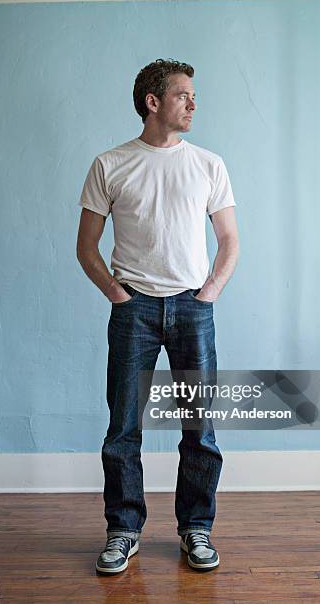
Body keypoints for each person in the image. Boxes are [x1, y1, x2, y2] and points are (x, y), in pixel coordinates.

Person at [76, 58, 240, 574]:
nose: (193, 103)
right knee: (123, 427)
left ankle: (197, 528)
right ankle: (123, 530)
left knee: (200, 426)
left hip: (193, 308)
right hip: (135, 311)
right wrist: (118, 296)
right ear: (153, 102)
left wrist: (208, 292)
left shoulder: (209, 164)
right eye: (183, 95)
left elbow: (230, 240)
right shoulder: (110, 164)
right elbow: (85, 247)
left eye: (193, 96)